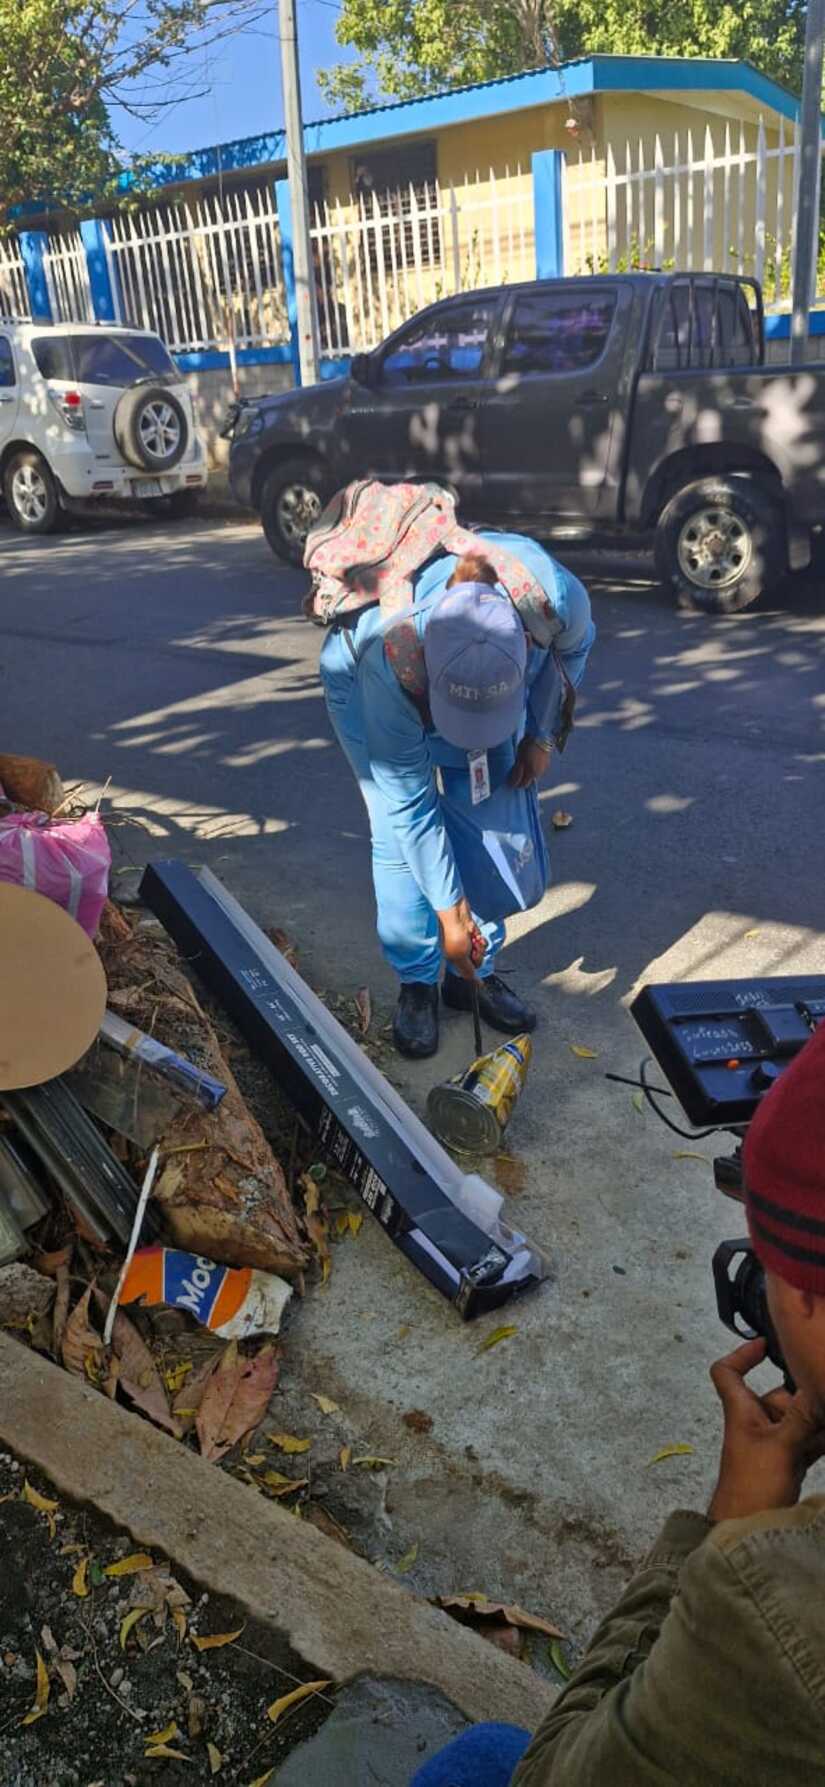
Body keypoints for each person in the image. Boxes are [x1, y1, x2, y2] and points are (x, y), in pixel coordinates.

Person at [411, 1015, 825, 1786]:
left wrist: (724, 1528)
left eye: (766, 1263)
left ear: (802, 1293)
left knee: (481, 1760)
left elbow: (555, 1775)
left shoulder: (773, 1598)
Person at [320, 532, 594, 1058]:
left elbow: (575, 649)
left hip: (476, 691)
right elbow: (413, 811)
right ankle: (418, 981)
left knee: (489, 822)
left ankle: (475, 972)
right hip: (363, 686)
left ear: (525, 644)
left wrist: (540, 734)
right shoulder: (390, 664)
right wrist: (450, 916)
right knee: (397, 840)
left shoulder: (553, 600)